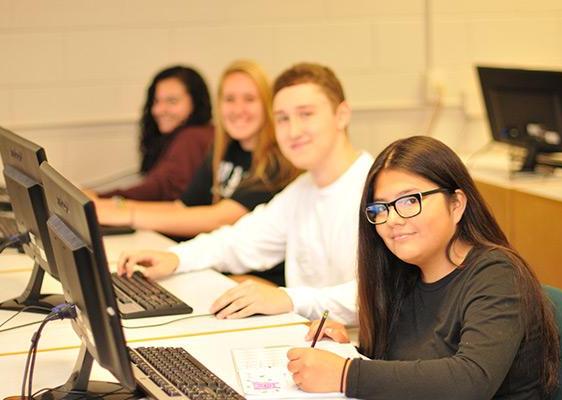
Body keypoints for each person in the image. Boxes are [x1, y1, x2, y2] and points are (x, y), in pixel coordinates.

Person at [287, 136, 560, 399]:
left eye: (409, 201)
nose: (392, 219)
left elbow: (471, 381)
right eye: (381, 208)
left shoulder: (498, 273)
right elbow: (406, 371)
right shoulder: (402, 276)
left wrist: (347, 373)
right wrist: (349, 353)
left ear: (456, 204)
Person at [117, 62, 374, 323]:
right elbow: (239, 242)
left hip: (361, 354)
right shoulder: (301, 191)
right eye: (283, 118)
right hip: (310, 340)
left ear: (342, 115)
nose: (293, 131)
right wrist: (176, 258)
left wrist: (288, 299)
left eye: (306, 114)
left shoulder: (375, 191)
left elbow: (380, 293)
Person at [95, 60, 298, 241]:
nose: (237, 109)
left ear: (267, 105)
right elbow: (181, 207)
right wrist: (112, 207)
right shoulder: (224, 149)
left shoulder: (276, 162)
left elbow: (217, 219)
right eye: (229, 99)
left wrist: (126, 215)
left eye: (249, 99)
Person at [93, 65, 214, 201]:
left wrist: (99, 198)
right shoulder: (201, 133)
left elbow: (159, 189)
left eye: (172, 101)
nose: (158, 110)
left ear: (196, 102)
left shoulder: (192, 137)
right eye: (156, 101)